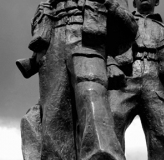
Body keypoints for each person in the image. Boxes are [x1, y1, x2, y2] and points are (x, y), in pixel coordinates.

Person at [16, 0, 138, 159]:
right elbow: (38, 28)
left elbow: (130, 27)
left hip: (88, 42)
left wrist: (111, 5)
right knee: (54, 111)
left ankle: (102, 155)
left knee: (91, 96)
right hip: (52, 46)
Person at [107, 0, 164, 159]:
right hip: (124, 78)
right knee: (109, 123)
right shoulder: (121, 21)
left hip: (159, 83)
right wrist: (110, 63)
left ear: (157, 1)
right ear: (134, 1)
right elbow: (103, 46)